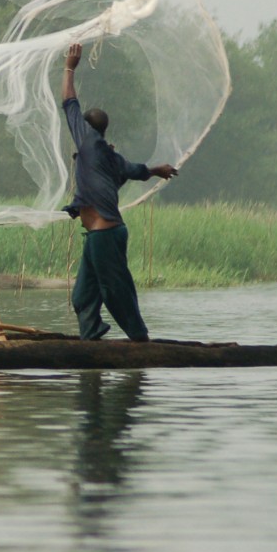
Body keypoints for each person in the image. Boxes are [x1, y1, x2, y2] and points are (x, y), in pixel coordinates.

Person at [61, 42, 178, 342]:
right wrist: (156, 170)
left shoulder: (89, 143)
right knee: (82, 297)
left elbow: (69, 103)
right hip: (99, 236)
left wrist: (70, 67)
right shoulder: (108, 158)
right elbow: (137, 170)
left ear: (87, 130)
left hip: (105, 235)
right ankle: (92, 341)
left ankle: (140, 343)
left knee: (116, 294)